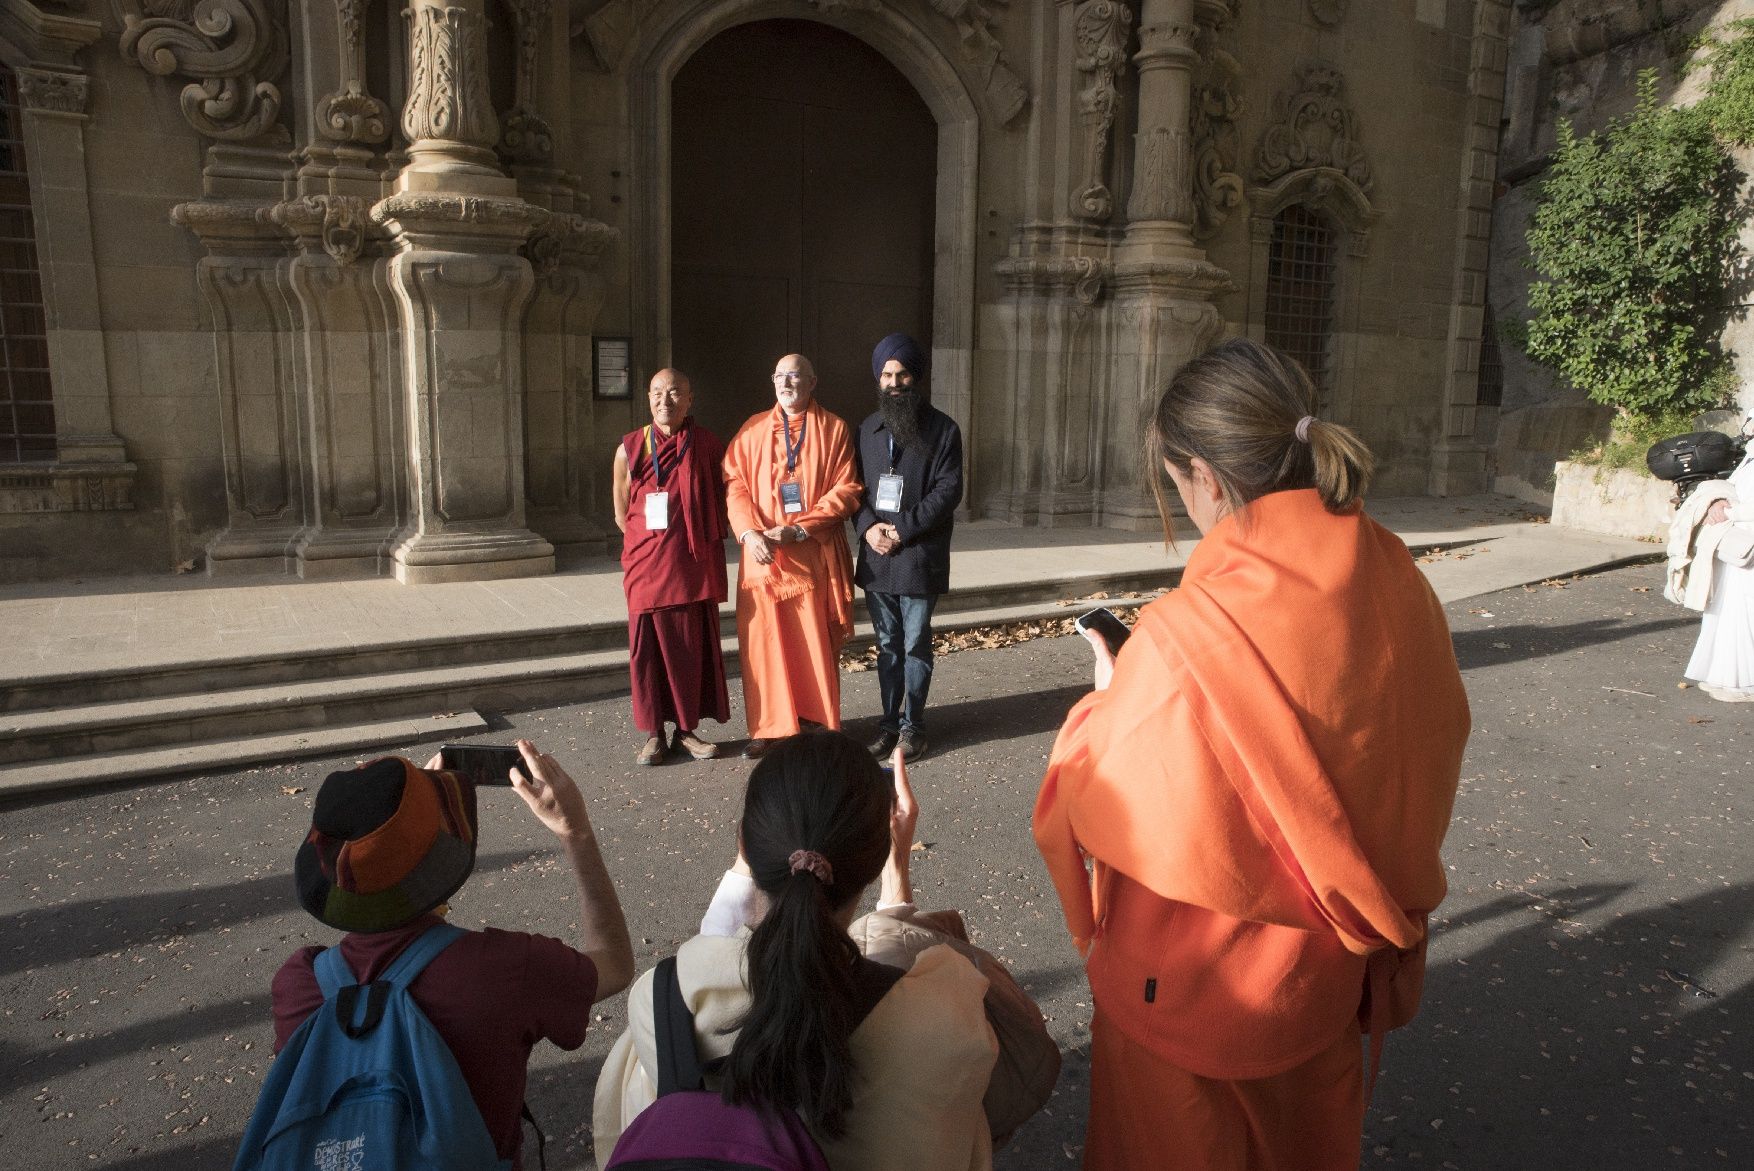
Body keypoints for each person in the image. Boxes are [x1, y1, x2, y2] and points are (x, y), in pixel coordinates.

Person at [1032, 338, 1470, 1171]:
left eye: (1176, 487)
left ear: (1206, 476)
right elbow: (1425, 734)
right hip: (1323, 986)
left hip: (1190, 995)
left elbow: (1091, 801)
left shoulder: (1181, 635)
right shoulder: (1397, 574)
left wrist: (1107, 699)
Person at [591, 731, 1006, 1169]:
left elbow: (720, 954)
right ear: (878, 853)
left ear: (745, 846)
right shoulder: (946, 1023)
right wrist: (896, 876)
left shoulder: (663, 1001)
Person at [270, 743, 635, 1171]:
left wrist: (407, 826)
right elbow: (615, 961)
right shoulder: (508, 970)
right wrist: (576, 832)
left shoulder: (298, 984)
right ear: (442, 855)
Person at [722, 354, 862, 758]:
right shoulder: (750, 430)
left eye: (795, 374)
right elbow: (735, 486)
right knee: (764, 643)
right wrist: (750, 533)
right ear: (772, 382)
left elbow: (847, 488)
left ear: (813, 381)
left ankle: (816, 719)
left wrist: (801, 527)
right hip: (763, 555)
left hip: (811, 552)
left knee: (811, 641)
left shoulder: (834, 430)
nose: (787, 382)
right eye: (780, 375)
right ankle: (769, 727)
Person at [853, 332, 963, 763]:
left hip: (918, 556)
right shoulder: (866, 429)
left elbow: (947, 491)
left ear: (916, 378)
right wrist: (867, 529)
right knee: (886, 646)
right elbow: (854, 489)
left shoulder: (944, 430)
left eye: (901, 374)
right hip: (878, 556)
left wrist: (900, 529)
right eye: (886, 375)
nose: (894, 383)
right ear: (878, 380)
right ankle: (887, 724)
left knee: (915, 644)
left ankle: (913, 728)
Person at [613, 368, 732, 765]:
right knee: (647, 653)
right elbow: (621, 512)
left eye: (676, 392)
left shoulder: (708, 444)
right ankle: (653, 735)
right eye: (659, 393)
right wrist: (649, 547)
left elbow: (723, 496)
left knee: (688, 650)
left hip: (690, 565)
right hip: (648, 565)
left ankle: (687, 730)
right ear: (648, 399)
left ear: (690, 399)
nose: (667, 400)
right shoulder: (630, 447)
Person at [1680, 420, 1754, 701]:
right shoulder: (1750, 454)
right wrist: (1716, 503)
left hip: (1746, 539)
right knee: (1728, 609)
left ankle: (1744, 681)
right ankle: (1726, 674)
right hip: (1736, 541)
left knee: (1746, 609)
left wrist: (1730, 513)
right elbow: (1732, 487)